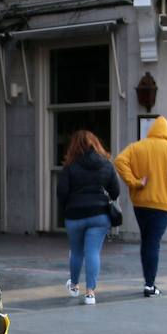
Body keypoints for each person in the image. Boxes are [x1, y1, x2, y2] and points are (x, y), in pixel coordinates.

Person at [114, 116, 167, 297]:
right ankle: (150, 285)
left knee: (147, 241)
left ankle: (149, 282)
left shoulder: (138, 147)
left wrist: (135, 183)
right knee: (152, 243)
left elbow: (119, 161)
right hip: (162, 205)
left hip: (140, 203)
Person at [57, 130, 120, 305]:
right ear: (96, 144)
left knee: (76, 252)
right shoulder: (106, 164)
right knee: (93, 252)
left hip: (75, 215)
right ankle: (90, 293)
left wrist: (67, 208)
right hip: (99, 215)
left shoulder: (70, 166)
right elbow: (116, 191)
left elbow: (61, 192)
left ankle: (75, 286)